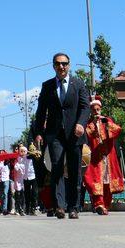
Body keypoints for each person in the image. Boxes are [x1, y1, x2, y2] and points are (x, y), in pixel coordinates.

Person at [33, 52, 90, 219]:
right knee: (57, 167)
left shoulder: (78, 84)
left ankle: (73, 206)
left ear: (69, 65)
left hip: (75, 133)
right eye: (58, 64)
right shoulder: (47, 86)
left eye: (64, 63)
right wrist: (38, 133)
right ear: (53, 66)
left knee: (74, 170)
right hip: (55, 134)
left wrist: (81, 123)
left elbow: (85, 107)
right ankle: (59, 206)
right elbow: (41, 111)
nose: (61, 66)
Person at [83, 96, 125, 215]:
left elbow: (117, 130)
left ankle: (105, 205)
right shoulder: (88, 124)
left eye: (98, 109)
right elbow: (87, 136)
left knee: (108, 181)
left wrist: (106, 124)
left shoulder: (107, 120)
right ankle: (98, 204)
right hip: (96, 158)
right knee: (95, 180)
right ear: (91, 111)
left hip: (108, 157)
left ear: (100, 109)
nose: (96, 111)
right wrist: (94, 125)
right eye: (93, 109)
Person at [0, 150, 10, 216]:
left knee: (5, 194)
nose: (1, 155)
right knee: (1, 195)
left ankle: (5, 209)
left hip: (6, 180)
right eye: (0, 154)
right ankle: (0, 209)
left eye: (2, 154)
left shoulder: (7, 162)